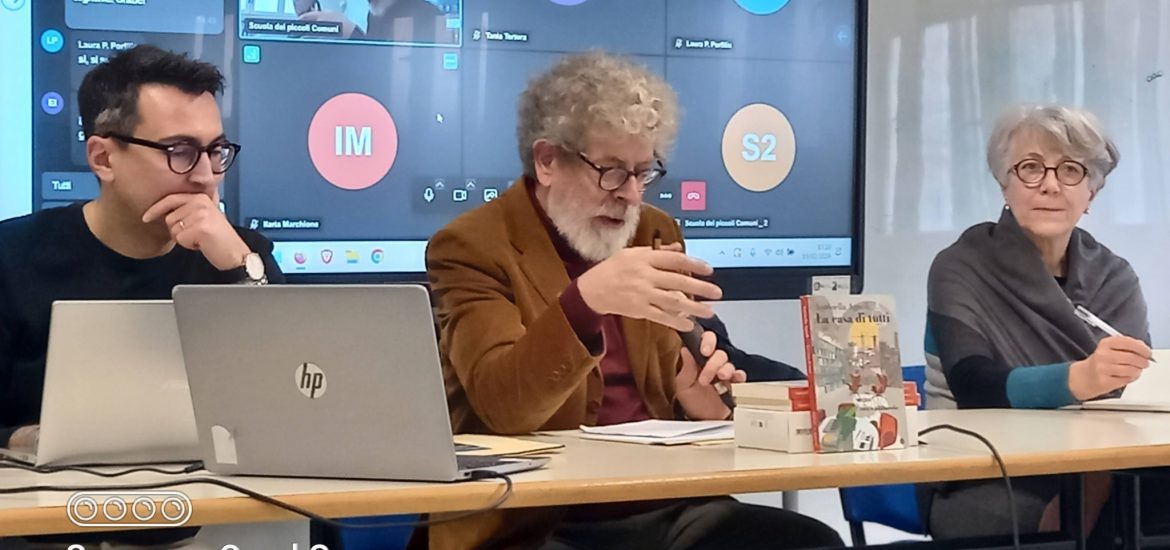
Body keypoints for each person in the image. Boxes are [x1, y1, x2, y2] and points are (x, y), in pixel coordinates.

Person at [418, 51, 842, 550]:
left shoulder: (655, 231)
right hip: (537, 521)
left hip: (663, 503)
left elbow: (674, 388)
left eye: (643, 173)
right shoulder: (472, 246)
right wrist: (587, 300)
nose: (633, 196)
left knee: (808, 541)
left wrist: (704, 404)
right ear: (547, 160)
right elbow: (504, 405)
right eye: (612, 172)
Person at [0, 45, 282, 549]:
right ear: (103, 158)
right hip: (35, 529)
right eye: (179, 150)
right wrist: (25, 438)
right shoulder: (12, 256)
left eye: (216, 150)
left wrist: (240, 267)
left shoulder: (240, 255)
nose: (205, 175)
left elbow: (298, 398)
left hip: (208, 524)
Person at [920, 104, 1168, 541]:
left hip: (1104, 464)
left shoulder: (1115, 276)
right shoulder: (960, 266)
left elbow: (1136, 396)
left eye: (1071, 170)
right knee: (1098, 514)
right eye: (1031, 168)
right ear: (1005, 184)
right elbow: (974, 384)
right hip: (986, 473)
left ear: (1091, 194)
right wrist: (1079, 379)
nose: (1050, 185)